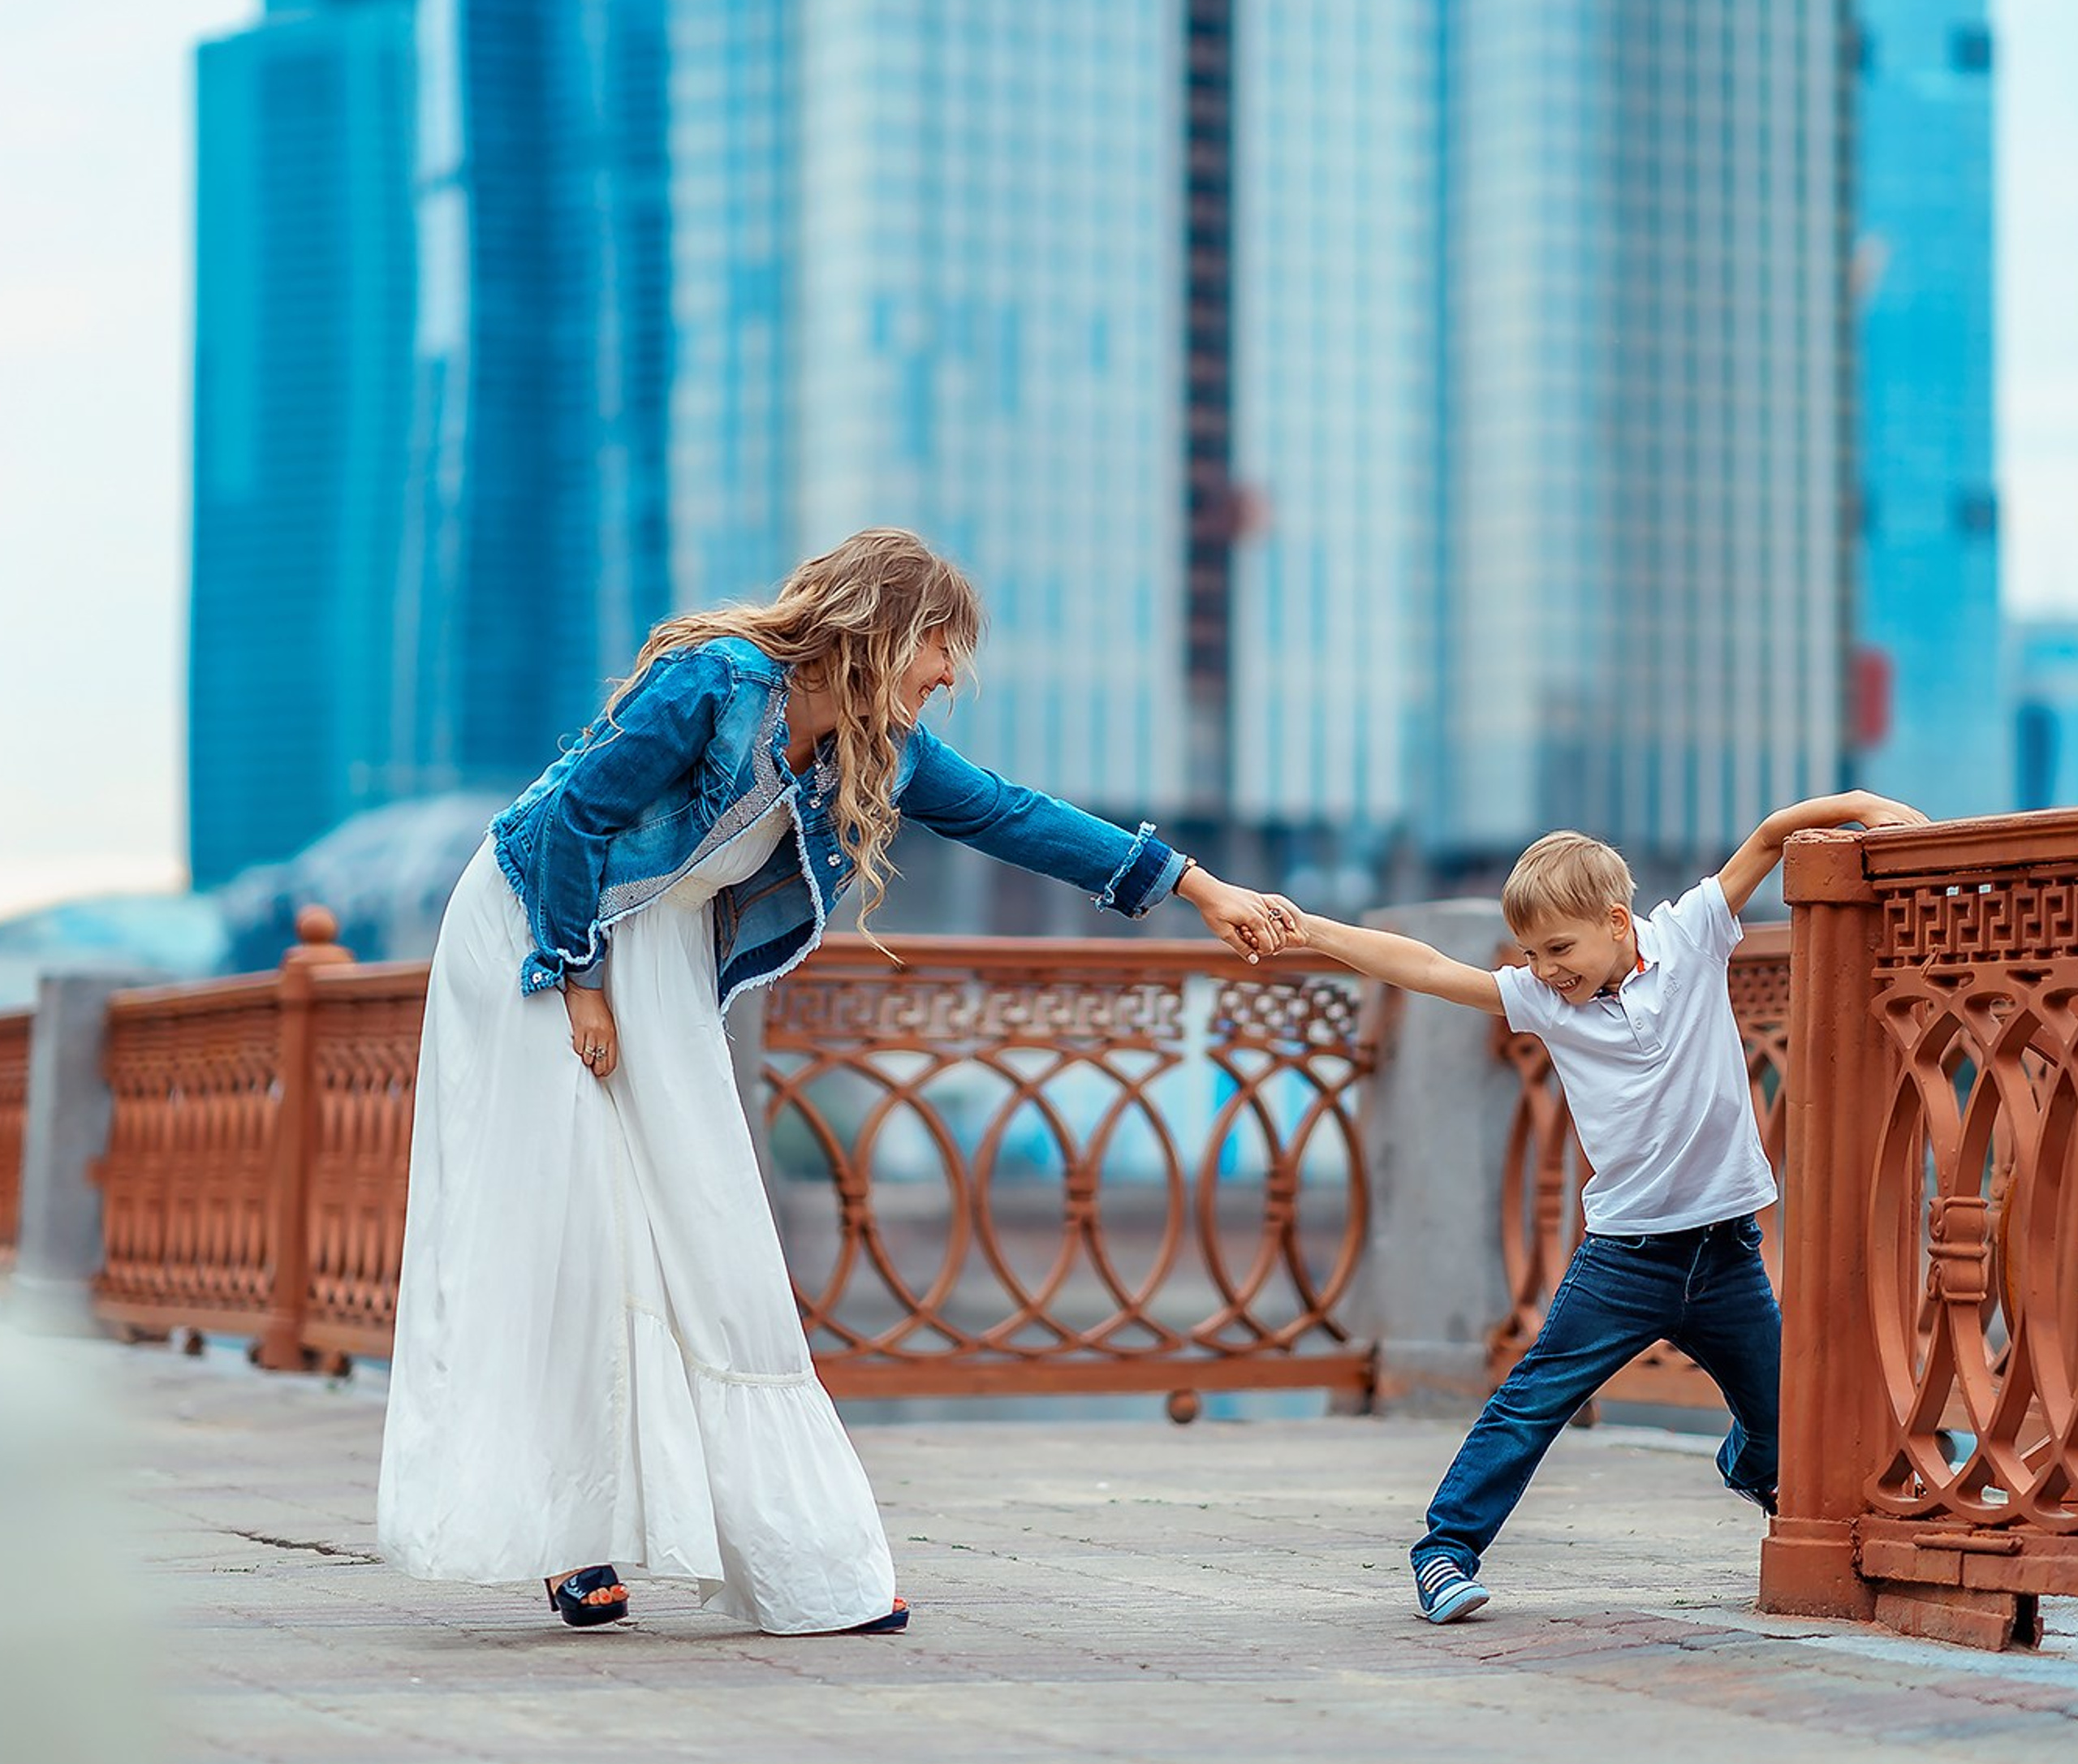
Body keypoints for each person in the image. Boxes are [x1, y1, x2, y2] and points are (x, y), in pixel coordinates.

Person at [375, 528, 1294, 1636]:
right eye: (943, 649)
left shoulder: (878, 748)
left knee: (707, 1233)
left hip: (652, 949)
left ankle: (806, 1560)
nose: (950, 678)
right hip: (538, 928)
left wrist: (1198, 886)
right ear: (886, 629)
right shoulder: (716, 684)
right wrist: (573, 980)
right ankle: (573, 1540)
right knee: (576, 1226)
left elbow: (1014, 814)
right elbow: (576, 817)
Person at [1271, 790, 1925, 1624]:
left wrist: (1864, 808)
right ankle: (1443, 1551)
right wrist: (1314, 931)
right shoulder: (1546, 1001)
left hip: (1725, 1255)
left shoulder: (1690, 934)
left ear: (1617, 921)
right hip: (1624, 1259)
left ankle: (1753, 1470)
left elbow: (1765, 836)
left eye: (1557, 948)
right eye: (1531, 953)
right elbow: (1428, 968)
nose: (1543, 969)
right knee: (1532, 1401)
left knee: (1779, 1421)